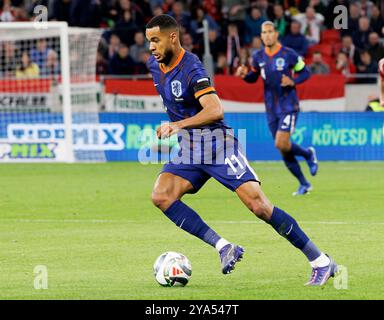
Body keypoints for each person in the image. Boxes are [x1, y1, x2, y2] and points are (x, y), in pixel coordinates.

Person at [145, 14, 337, 286]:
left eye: (155, 40)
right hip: (189, 149)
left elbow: (215, 110)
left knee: (259, 206)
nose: (151, 47)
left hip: (217, 145)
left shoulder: (192, 68)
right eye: (149, 41)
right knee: (162, 195)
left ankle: (321, 261)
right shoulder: (154, 66)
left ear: (172, 37)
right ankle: (224, 247)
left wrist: (177, 124)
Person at [236, 21, 317, 196]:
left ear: (276, 34)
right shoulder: (258, 57)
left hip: (288, 105)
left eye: (270, 31)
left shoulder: (289, 54)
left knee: (281, 142)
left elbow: (306, 72)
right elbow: (253, 78)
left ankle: (308, 154)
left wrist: (293, 81)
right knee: (283, 147)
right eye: (263, 32)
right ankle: (304, 183)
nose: (266, 35)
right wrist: (244, 75)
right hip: (271, 108)